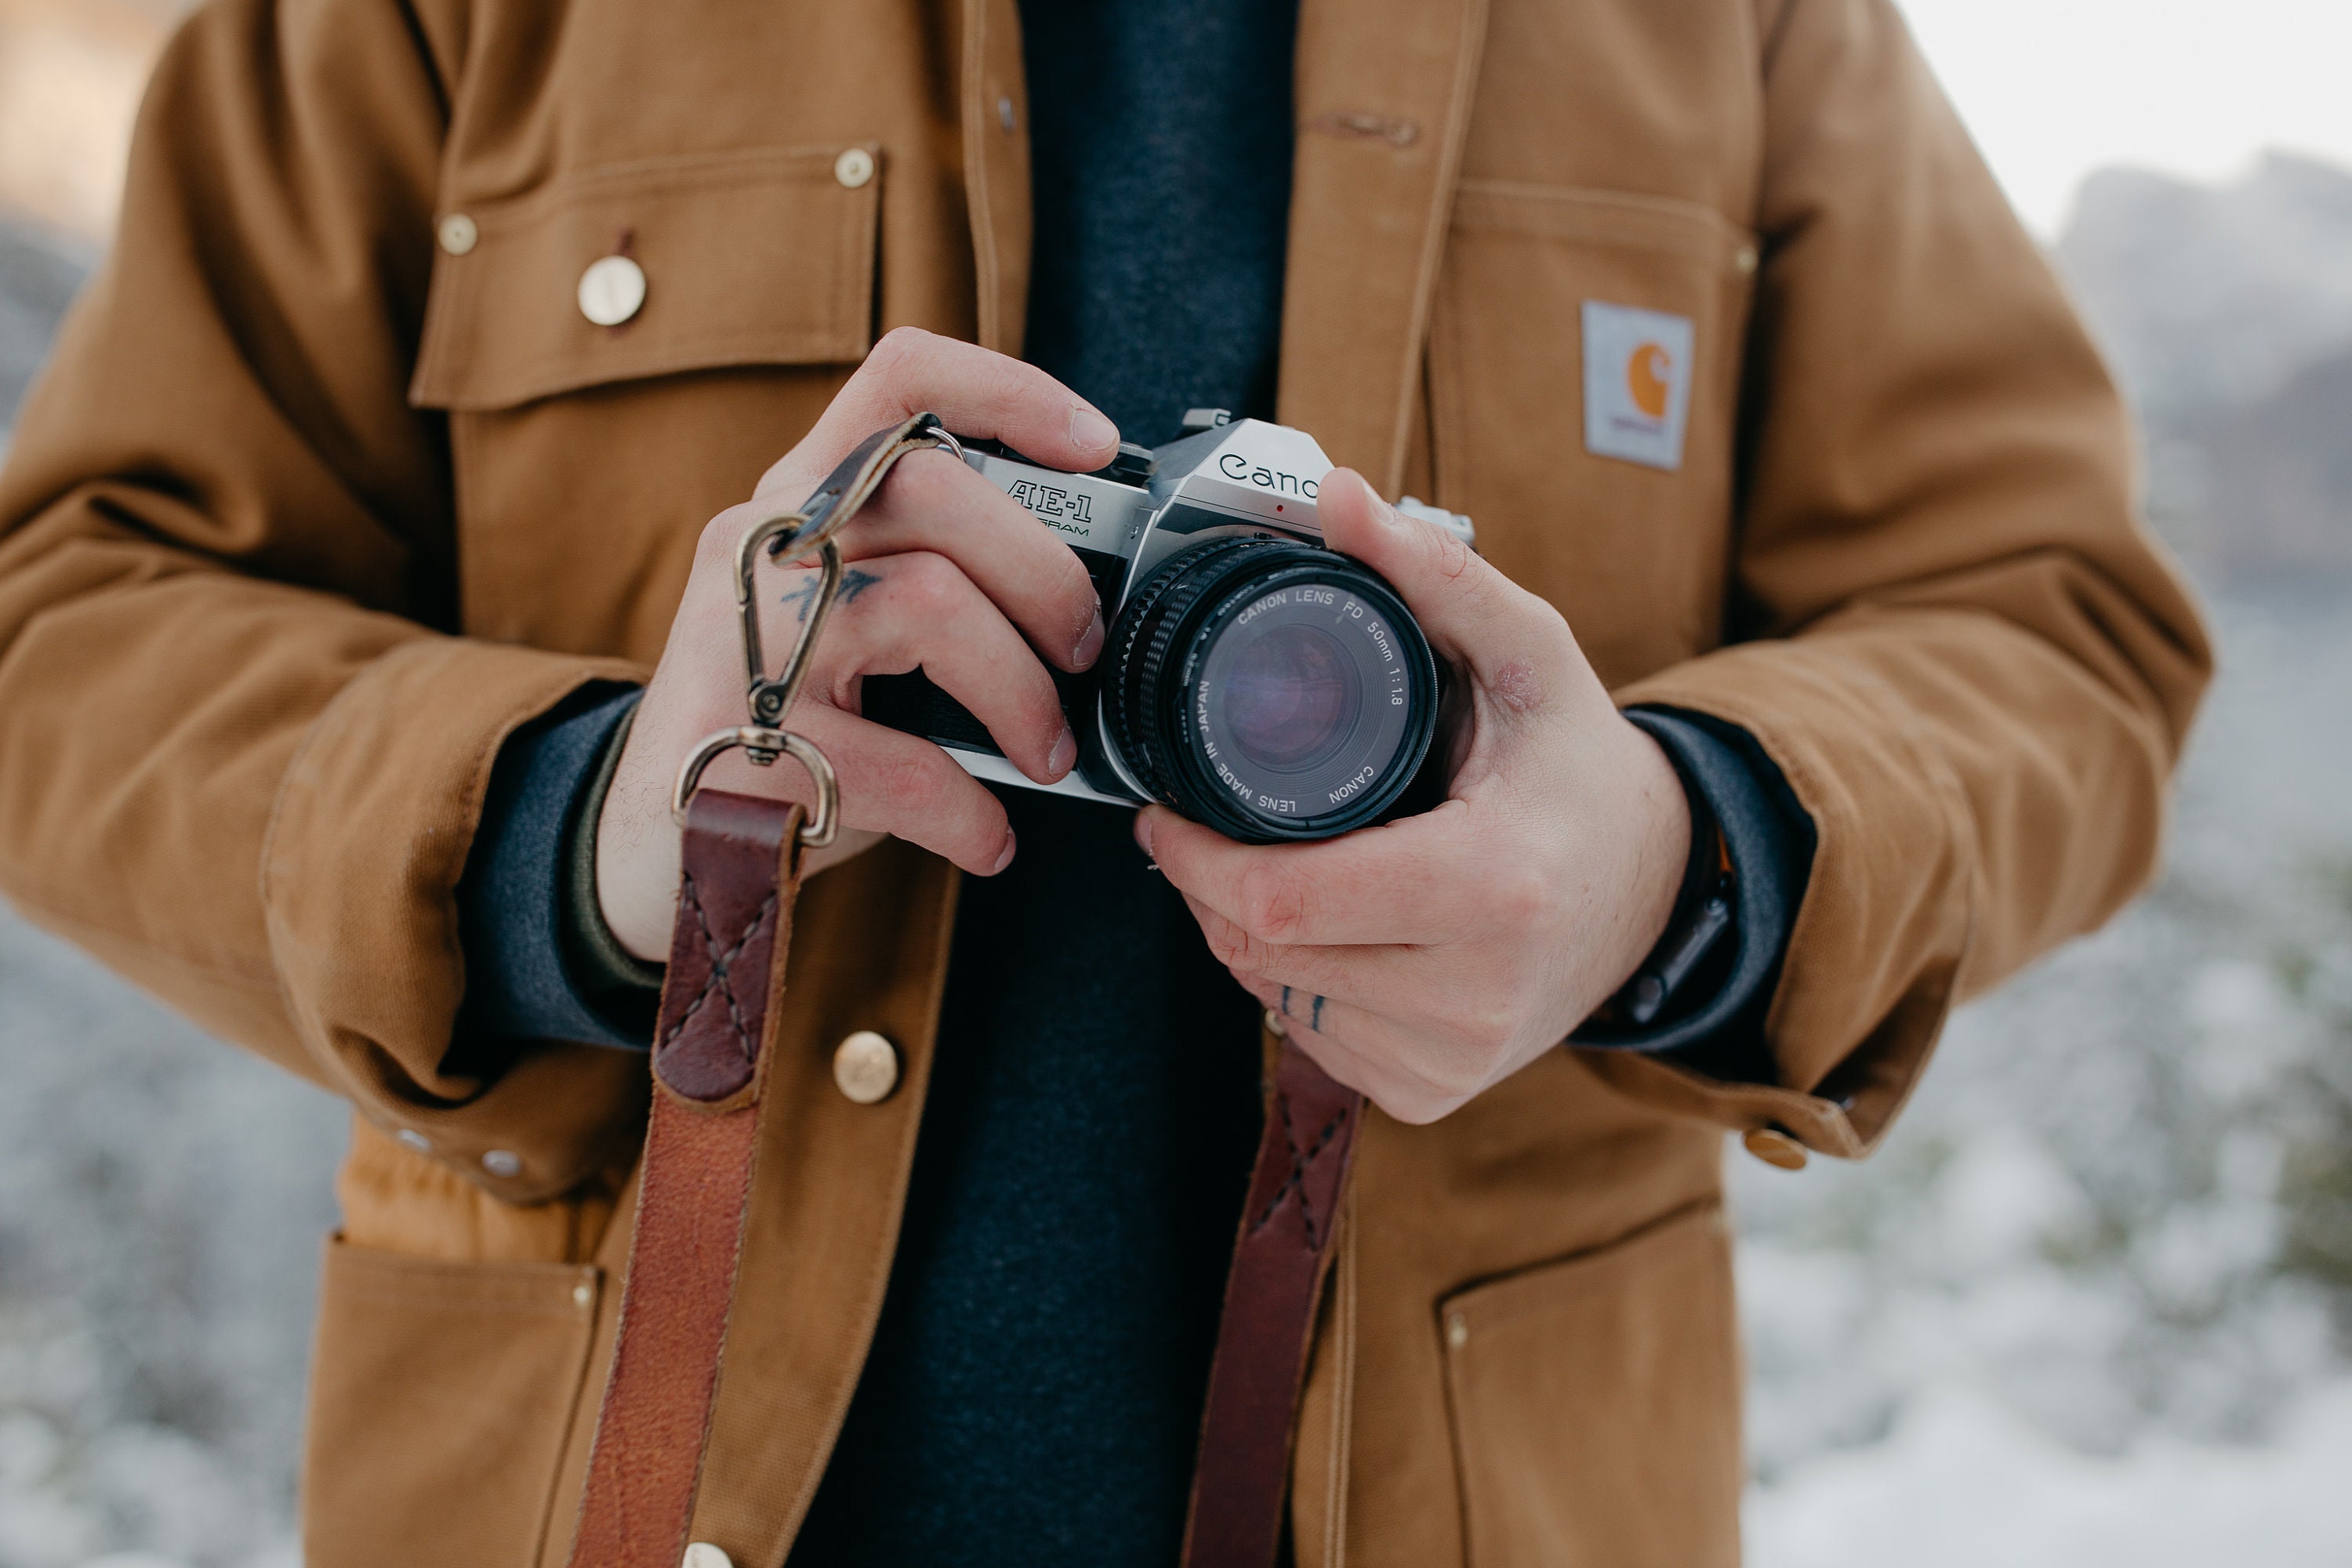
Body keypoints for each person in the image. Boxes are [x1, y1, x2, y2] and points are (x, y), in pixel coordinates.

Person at [0, 0, 2210, 1563]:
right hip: (591, 1473)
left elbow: (2053, 625)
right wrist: (578, 823)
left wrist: (1671, 853)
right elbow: (67, 622)